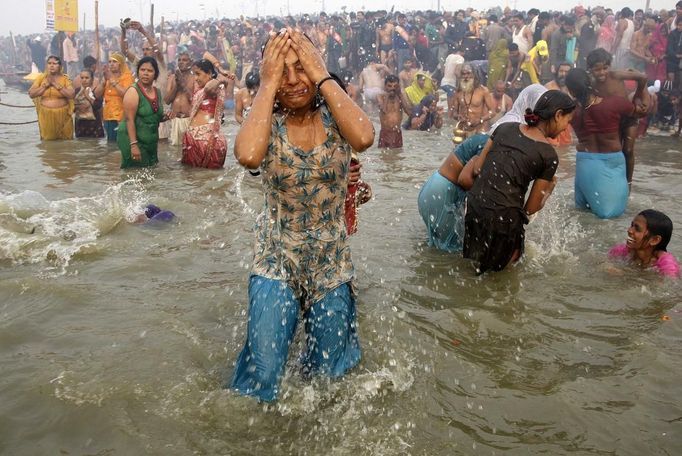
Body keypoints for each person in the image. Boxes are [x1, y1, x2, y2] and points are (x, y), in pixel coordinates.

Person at [230, 28, 374, 402]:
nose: (293, 80)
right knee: (262, 374)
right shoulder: (266, 121)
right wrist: (266, 83)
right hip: (276, 260)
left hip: (331, 264)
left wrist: (321, 73)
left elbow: (364, 137)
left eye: (301, 68)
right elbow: (247, 155)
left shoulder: (335, 116)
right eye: (283, 71)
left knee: (331, 379)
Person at [417, 84, 548, 253]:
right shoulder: (509, 133)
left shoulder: (505, 127)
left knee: (441, 254)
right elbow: (468, 179)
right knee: (451, 257)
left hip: (435, 190)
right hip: (443, 194)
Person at [461, 90, 576, 274]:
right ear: (558, 115)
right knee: (500, 280)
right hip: (504, 220)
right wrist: (550, 188)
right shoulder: (548, 155)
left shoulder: (504, 128)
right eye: (567, 121)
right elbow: (530, 208)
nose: (566, 128)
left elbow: (477, 169)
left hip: (475, 207)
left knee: (474, 270)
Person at [566, 68, 647, 219]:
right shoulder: (615, 103)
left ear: (570, 90)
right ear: (590, 83)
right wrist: (642, 83)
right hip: (610, 166)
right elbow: (642, 111)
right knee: (610, 219)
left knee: (582, 216)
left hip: (584, 165)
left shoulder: (570, 111)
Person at [586, 48, 650, 197]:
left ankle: (628, 183)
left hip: (628, 117)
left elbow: (642, 78)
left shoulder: (616, 75)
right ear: (590, 70)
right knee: (613, 151)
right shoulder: (591, 83)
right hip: (610, 121)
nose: (601, 73)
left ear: (610, 66)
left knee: (628, 150)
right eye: (597, 70)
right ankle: (612, 181)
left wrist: (638, 96)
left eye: (605, 68)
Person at [118, 57, 169, 169]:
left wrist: (165, 117)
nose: (145, 73)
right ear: (138, 72)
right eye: (142, 70)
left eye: (150, 71)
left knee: (151, 174)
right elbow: (129, 120)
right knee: (134, 175)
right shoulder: (133, 91)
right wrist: (133, 145)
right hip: (133, 140)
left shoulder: (157, 92)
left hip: (151, 142)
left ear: (155, 74)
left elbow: (153, 116)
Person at [181, 59, 232, 169]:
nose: (195, 78)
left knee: (206, 179)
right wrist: (220, 68)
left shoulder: (214, 87)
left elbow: (211, 86)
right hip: (195, 139)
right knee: (196, 179)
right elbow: (206, 55)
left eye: (198, 74)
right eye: (194, 74)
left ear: (209, 73)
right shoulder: (200, 87)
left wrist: (219, 77)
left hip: (207, 141)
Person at [609, 209, 679, 278]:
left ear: (654, 240)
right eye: (631, 225)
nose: (629, 230)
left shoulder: (667, 266)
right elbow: (604, 262)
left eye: (637, 228)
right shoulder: (622, 251)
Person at [28, 55, 75, 141]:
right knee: (47, 142)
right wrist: (44, 86)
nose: (51, 65)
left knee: (65, 141)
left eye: (54, 63)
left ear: (60, 66)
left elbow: (71, 94)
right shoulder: (41, 79)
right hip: (45, 114)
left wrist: (55, 84)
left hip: (63, 114)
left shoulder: (65, 79)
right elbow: (31, 94)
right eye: (49, 63)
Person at [452, 63, 494, 138]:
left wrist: (480, 120)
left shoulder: (483, 91)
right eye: (463, 74)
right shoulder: (458, 92)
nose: (466, 76)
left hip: (479, 130)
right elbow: (454, 112)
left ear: (474, 74)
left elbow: (492, 112)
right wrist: (458, 116)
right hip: (462, 131)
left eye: (468, 73)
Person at [101, 53, 134, 143]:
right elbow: (97, 95)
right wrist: (103, 81)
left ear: (121, 64)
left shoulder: (127, 77)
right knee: (111, 143)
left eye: (114, 61)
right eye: (110, 62)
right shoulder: (107, 77)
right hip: (107, 116)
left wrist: (112, 81)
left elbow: (126, 94)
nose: (111, 64)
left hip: (121, 116)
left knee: (121, 143)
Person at [164, 51, 195, 146]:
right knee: (174, 151)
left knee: (190, 150)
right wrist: (177, 85)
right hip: (175, 120)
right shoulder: (172, 78)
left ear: (191, 62)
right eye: (179, 60)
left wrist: (183, 84)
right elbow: (167, 100)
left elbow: (195, 101)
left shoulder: (195, 78)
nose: (181, 62)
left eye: (185, 60)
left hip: (189, 120)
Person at [377, 74, 410, 148]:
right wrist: (387, 96)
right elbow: (383, 110)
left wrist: (400, 94)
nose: (392, 88)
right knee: (384, 157)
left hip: (397, 134)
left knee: (397, 156)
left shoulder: (400, 97)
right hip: (385, 134)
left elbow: (409, 113)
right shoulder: (380, 97)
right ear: (385, 86)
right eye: (389, 86)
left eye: (395, 86)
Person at [73, 69, 105, 138]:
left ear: (92, 79)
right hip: (80, 124)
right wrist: (78, 107)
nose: (84, 80)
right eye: (82, 78)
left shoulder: (96, 91)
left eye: (87, 78)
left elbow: (98, 106)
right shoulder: (77, 91)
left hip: (94, 125)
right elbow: (71, 108)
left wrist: (88, 97)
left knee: (94, 145)